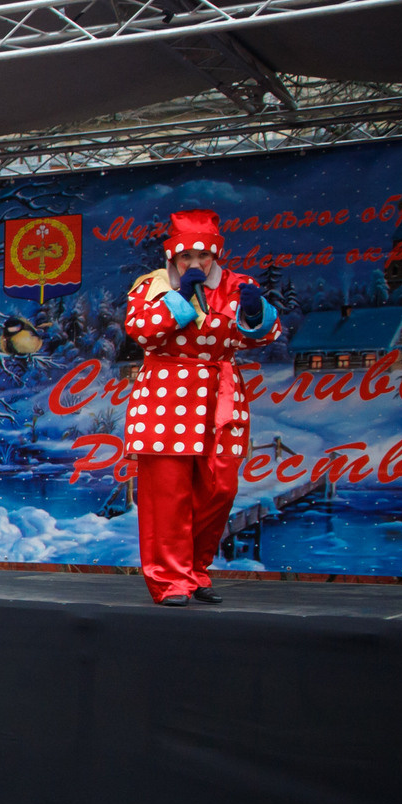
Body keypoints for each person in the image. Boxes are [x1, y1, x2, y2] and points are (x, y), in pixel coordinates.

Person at [122, 209, 280, 605]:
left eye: (202, 256)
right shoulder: (151, 288)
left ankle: (194, 569)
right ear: (172, 257)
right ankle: (169, 580)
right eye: (185, 257)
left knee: (219, 487)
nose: (195, 263)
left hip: (219, 396)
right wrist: (179, 299)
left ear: (214, 255)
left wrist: (256, 314)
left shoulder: (237, 284)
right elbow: (141, 332)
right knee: (168, 492)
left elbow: (262, 337)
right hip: (165, 395)